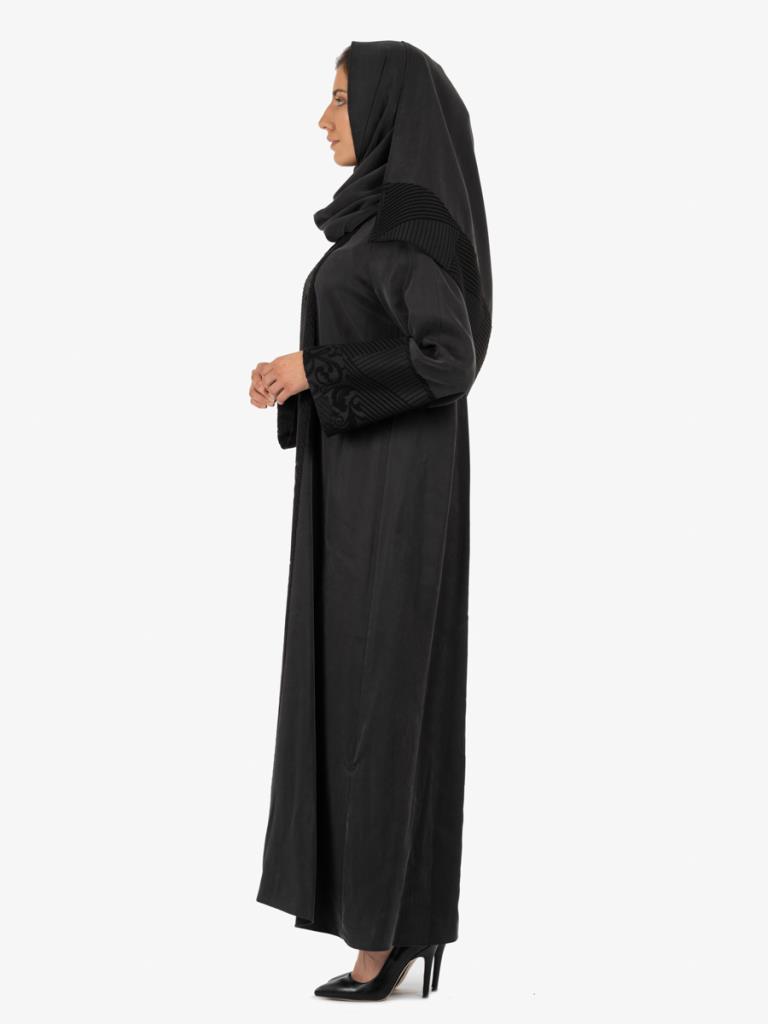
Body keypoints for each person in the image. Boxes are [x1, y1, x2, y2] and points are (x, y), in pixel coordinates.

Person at [249, 39, 492, 1001]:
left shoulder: (412, 230)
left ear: (389, 109)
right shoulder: (373, 225)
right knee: (353, 695)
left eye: (342, 99)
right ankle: (382, 923)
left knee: (386, 701)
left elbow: (448, 358)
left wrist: (316, 370)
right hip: (355, 499)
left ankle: (385, 936)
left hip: (399, 502)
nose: (325, 118)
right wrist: (298, 382)